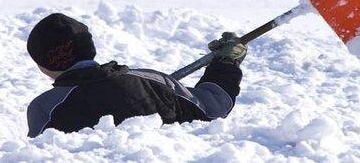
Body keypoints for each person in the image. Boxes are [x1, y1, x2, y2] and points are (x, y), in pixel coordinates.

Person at [26, 13, 247, 138]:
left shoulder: (44, 107)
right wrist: (228, 61)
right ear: (89, 48)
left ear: (43, 65)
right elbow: (213, 107)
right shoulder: (153, 81)